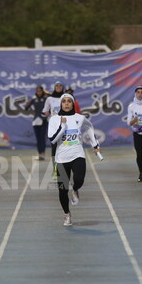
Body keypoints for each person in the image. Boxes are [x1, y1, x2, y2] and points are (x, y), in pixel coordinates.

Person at [48, 93, 100, 226]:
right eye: (64, 101)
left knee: (79, 179)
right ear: (60, 104)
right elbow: (53, 139)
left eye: (69, 101)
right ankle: (67, 214)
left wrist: (95, 145)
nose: (66, 103)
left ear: (73, 104)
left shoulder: (80, 118)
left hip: (78, 154)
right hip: (61, 158)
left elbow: (89, 127)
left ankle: (75, 189)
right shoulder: (54, 119)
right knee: (62, 189)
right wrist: (62, 126)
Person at [25, 85, 50, 161]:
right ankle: (40, 154)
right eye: (37, 91)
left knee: (42, 138)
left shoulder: (46, 99)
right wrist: (27, 104)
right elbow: (26, 109)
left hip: (43, 120)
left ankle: (43, 153)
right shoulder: (34, 98)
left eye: (40, 91)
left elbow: (53, 99)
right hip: (36, 121)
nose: (38, 92)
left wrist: (47, 93)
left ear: (42, 91)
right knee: (38, 139)